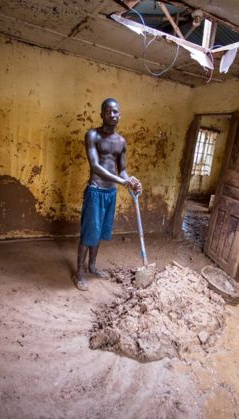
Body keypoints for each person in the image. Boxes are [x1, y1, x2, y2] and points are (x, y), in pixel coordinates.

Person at [74, 98, 142, 291]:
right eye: (109, 112)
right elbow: (95, 166)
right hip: (95, 191)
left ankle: (92, 267)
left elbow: (123, 170)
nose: (112, 115)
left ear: (119, 115)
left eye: (116, 112)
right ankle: (79, 273)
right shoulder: (92, 135)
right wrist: (122, 181)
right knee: (89, 233)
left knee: (100, 232)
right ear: (102, 114)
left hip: (110, 193)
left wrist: (131, 181)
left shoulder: (121, 141)